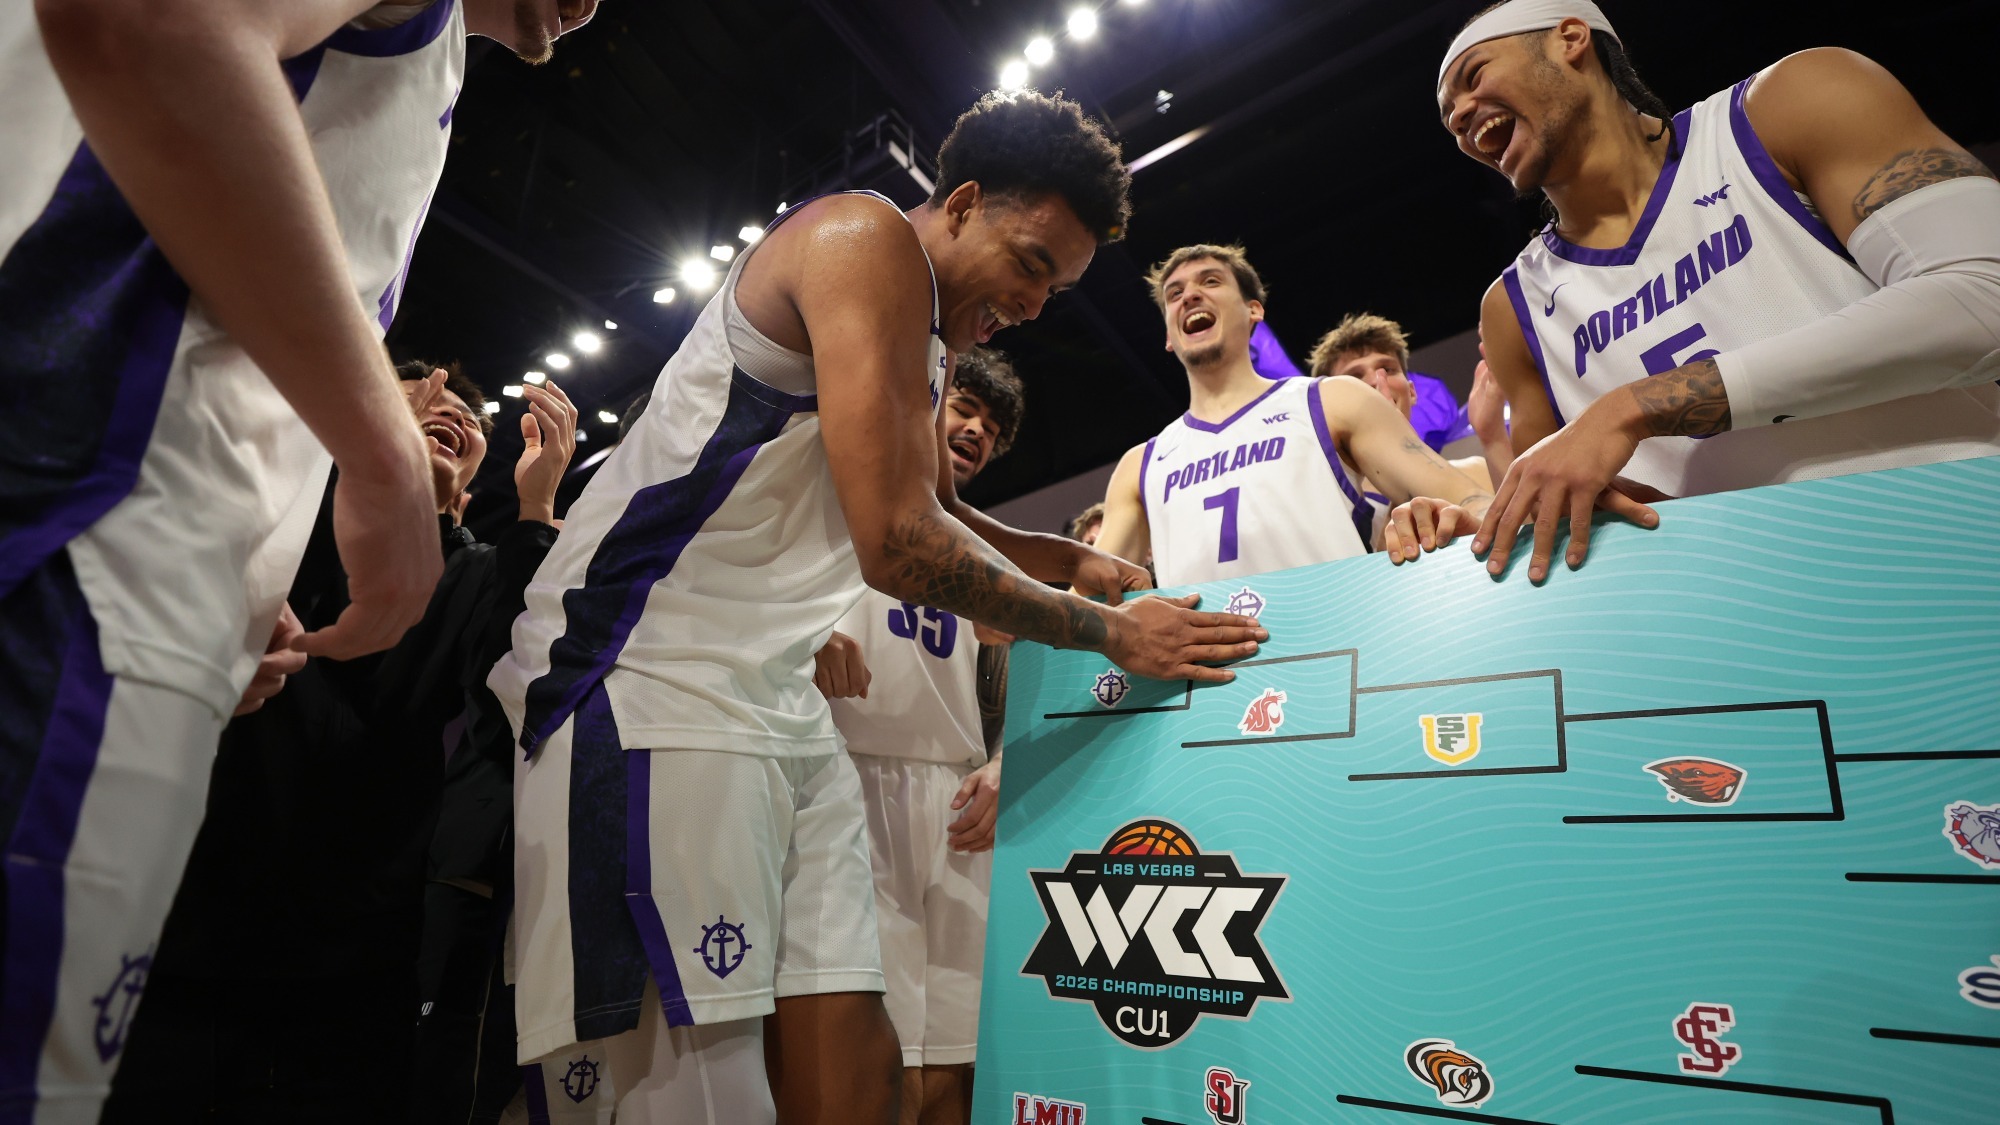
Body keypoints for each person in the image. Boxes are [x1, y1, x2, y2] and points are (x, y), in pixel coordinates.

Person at [487, 92, 1266, 1124]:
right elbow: (898, 542)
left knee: (853, 1048)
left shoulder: (929, 342)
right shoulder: (860, 239)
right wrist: (1113, 633)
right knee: (691, 1082)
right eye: (1031, 263)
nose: (1036, 305)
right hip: (646, 677)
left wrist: (1074, 561)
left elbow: (942, 509)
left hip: (769, 699)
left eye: (1058, 287)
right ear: (963, 203)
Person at [0, 1, 595, 1116]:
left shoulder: (407, 67)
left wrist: (241, 589)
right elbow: (146, 17)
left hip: (132, 579)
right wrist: (377, 453)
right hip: (78, 547)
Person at [100, 364, 574, 1122]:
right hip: (199, 893)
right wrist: (362, 444)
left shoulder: (481, 571)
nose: (455, 410)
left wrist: (537, 505)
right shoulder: (295, 517)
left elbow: (522, 664)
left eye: (474, 418)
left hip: (367, 928)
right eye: (425, 397)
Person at [1434, 0, 2000, 582]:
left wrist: (1637, 406)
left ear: (1571, 38)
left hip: (1963, 550)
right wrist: (1474, 522)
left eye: (1474, 76)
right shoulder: (1513, 309)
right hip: (1754, 622)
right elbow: (1569, 525)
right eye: (1450, 117)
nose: (1460, 119)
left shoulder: (1790, 104)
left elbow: (1984, 297)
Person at [810, 346, 1020, 1125]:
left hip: (959, 799)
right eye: (963, 408)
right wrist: (801, 640)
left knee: (959, 1050)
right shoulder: (830, 494)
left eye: (991, 427)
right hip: (847, 777)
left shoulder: (984, 550)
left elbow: (1011, 693)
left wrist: (1005, 761)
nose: (975, 430)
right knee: (870, 1051)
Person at [1092, 244, 1494, 588]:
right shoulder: (1140, 465)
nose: (1189, 296)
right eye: (1174, 294)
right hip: (1203, 672)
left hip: (1333, 656)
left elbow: (1467, 497)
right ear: (1167, 334)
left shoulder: (1332, 400)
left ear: (1254, 310)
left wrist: (1466, 517)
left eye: (1210, 281)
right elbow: (1089, 587)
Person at [1308, 311, 1510, 489]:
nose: (1374, 380)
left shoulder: (1476, 473)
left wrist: (1493, 439)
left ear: (1411, 392)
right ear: (1329, 408)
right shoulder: (1327, 503)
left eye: (1387, 369)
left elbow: (1527, 529)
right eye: (1353, 378)